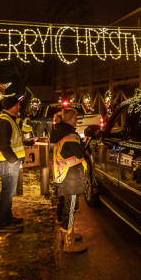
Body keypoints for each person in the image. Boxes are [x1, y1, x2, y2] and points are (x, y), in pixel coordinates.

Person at [50, 108, 88, 253]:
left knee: (63, 205)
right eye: (75, 118)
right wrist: (84, 144)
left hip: (61, 175)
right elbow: (80, 153)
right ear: (71, 119)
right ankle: (69, 243)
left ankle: (65, 234)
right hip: (70, 177)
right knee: (70, 208)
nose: (76, 120)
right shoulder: (70, 135)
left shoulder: (59, 132)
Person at [0, 96, 26, 233]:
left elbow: (11, 142)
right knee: (7, 193)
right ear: (11, 106)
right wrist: (14, 160)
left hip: (8, 162)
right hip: (7, 163)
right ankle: (4, 224)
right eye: (17, 105)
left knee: (9, 192)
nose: (19, 107)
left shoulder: (8, 120)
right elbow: (4, 146)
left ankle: (8, 218)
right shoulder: (5, 121)